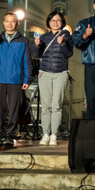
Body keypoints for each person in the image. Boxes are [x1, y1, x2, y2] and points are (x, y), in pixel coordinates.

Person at [0, 12, 32, 145]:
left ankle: (10, 134)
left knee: (14, 108)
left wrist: (27, 79)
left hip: (15, 79)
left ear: (17, 23)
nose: (10, 24)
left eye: (13, 21)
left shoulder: (24, 40)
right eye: (7, 21)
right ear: (3, 23)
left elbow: (27, 62)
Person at [33, 11, 73, 146]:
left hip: (60, 73)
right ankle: (45, 134)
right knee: (46, 106)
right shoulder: (44, 37)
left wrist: (62, 43)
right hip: (44, 73)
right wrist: (37, 45)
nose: (55, 23)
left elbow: (69, 53)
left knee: (57, 105)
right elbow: (37, 55)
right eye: (52, 20)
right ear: (49, 22)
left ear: (62, 22)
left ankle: (54, 135)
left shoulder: (66, 36)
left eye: (58, 20)